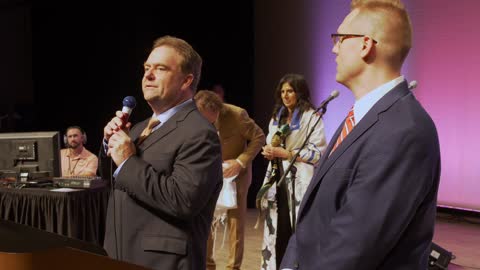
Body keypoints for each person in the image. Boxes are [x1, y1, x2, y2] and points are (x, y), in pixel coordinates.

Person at [280, 1, 441, 270]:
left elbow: (353, 248)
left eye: (340, 39)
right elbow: (312, 222)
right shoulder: (362, 117)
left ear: (366, 45)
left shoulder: (404, 129)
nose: (333, 49)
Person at [101, 35, 223, 270]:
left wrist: (127, 160)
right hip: (119, 255)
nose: (148, 75)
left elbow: (183, 201)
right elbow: (115, 184)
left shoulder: (200, 133)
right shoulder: (136, 129)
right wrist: (110, 144)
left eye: (161, 68)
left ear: (187, 80)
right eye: (147, 68)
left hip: (162, 262)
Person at [258, 74, 327, 270]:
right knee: (277, 226)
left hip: (299, 179)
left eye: (290, 91)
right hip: (277, 175)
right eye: (282, 91)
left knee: (296, 226)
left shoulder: (311, 117)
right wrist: (269, 151)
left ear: (300, 92)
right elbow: (271, 140)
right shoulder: (277, 116)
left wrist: (288, 153)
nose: (285, 95)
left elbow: (318, 153)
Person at [194, 90, 265, 270]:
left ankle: (233, 267)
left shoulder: (237, 115)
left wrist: (241, 162)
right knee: (206, 220)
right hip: (210, 172)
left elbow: (259, 137)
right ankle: (207, 265)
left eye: (206, 116)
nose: (202, 120)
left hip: (236, 175)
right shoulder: (194, 116)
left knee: (235, 224)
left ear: (216, 109)